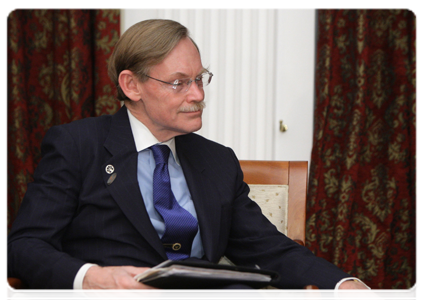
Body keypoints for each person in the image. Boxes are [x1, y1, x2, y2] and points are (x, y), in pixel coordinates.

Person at [5, 19, 383, 300]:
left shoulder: (217, 161)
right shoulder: (77, 145)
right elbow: (23, 245)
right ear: (131, 85)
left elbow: (269, 247)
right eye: (179, 82)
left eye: (200, 78)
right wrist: (89, 279)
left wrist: (347, 286)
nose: (197, 94)